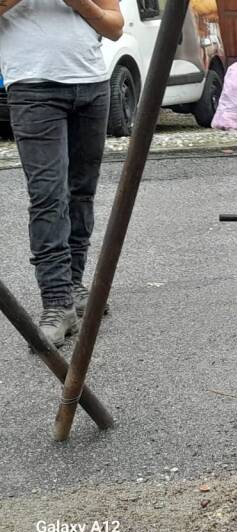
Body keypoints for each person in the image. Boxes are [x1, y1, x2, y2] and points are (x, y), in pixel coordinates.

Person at [0, 0, 124, 347]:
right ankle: (56, 303)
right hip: (32, 87)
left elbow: (114, 26)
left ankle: (72, 283)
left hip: (92, 84)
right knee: (47, 196)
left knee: (81, 192)